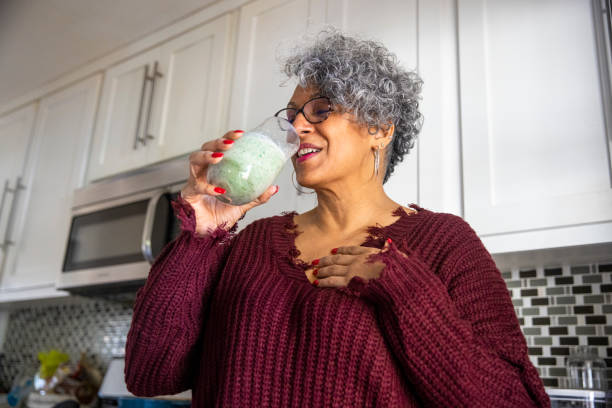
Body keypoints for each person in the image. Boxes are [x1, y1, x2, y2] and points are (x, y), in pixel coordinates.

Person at [125, 29, 550, 407]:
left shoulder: (443, 241)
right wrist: (201, 235)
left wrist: (402, 288)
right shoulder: (250, 243)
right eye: (292, 115)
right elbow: (149, 375)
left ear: (381, 128)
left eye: (321, 109)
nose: (297, 128)